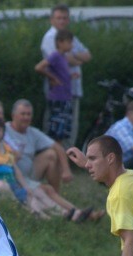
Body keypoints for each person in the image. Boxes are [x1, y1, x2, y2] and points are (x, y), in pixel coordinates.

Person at [40, 4, 91, 148]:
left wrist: (73, 55)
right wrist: (75, 58)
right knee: (55, 127)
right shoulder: (50, 37)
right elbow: (62, 59)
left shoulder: (70, 37)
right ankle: (52, 160)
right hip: (58, 92)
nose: (62, 21)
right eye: (58, 18)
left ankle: (66, 160)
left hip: (72, 89)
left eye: (64, 18)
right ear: (52, 20)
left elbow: (87, 55)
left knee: (70, 126)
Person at [5, 99, 72, 193]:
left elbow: (58, 147)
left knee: (51, 154)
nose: (26, 117)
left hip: (29, 173)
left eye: (28, 114)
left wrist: (66, 170)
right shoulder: (3, 130)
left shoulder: (33, 132)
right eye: (23, 114)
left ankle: (56, 193)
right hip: (10, 173)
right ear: (13, 115)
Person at [35, 30, 75, 154]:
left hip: (66, 97)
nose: (71, 45)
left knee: (63, 132)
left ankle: (59, 159)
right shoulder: (55, 55)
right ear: (60, 42)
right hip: (58, 98)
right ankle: (54, 157)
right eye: (69, 42)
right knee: (57, 130)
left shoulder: (64, 57)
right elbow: (39, 67)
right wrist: (52, 77)